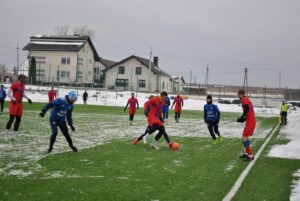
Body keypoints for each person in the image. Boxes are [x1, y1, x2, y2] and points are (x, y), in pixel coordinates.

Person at [237, 89, 256, 162]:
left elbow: (247, 109)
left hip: (250, 122)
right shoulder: (246, 99)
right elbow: (248, 111)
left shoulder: (244, 99)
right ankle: (248, 153)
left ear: (240, 94)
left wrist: (242, 117)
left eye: (238, 95)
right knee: (245, 138)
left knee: (244, 138)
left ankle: (250, 155)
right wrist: (243, 119)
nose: (238, 96)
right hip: (250, 121)